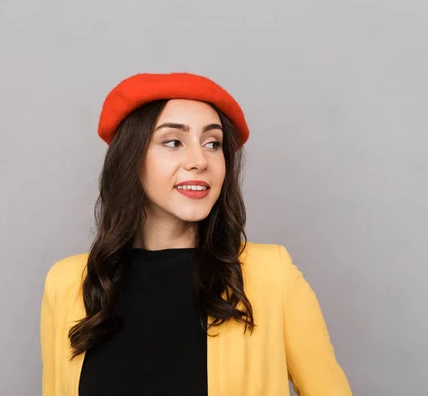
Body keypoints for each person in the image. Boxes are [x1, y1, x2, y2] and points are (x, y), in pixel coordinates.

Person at [40, 72, 352, 396]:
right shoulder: (66, 284)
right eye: (173, 142)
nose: (200, 161)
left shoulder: (273, 277)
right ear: (129, 159)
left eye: (212, 143)